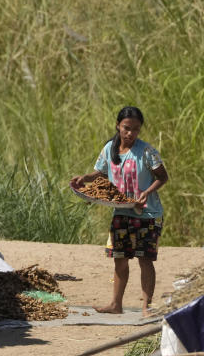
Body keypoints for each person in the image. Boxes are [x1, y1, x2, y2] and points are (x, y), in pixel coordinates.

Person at [70, 106, 169, 317]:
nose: (130, 133)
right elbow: (101, 172)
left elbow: (162, 177)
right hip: (121, 211)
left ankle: (146, 307)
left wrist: (146, 192)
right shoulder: (109, 149)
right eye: (126, 128)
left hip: (148, 214)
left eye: (135, 129)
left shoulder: (146, 151)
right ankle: (116, 304)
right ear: (118, 126)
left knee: (145, 259)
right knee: (120, 259)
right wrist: (85, 179)